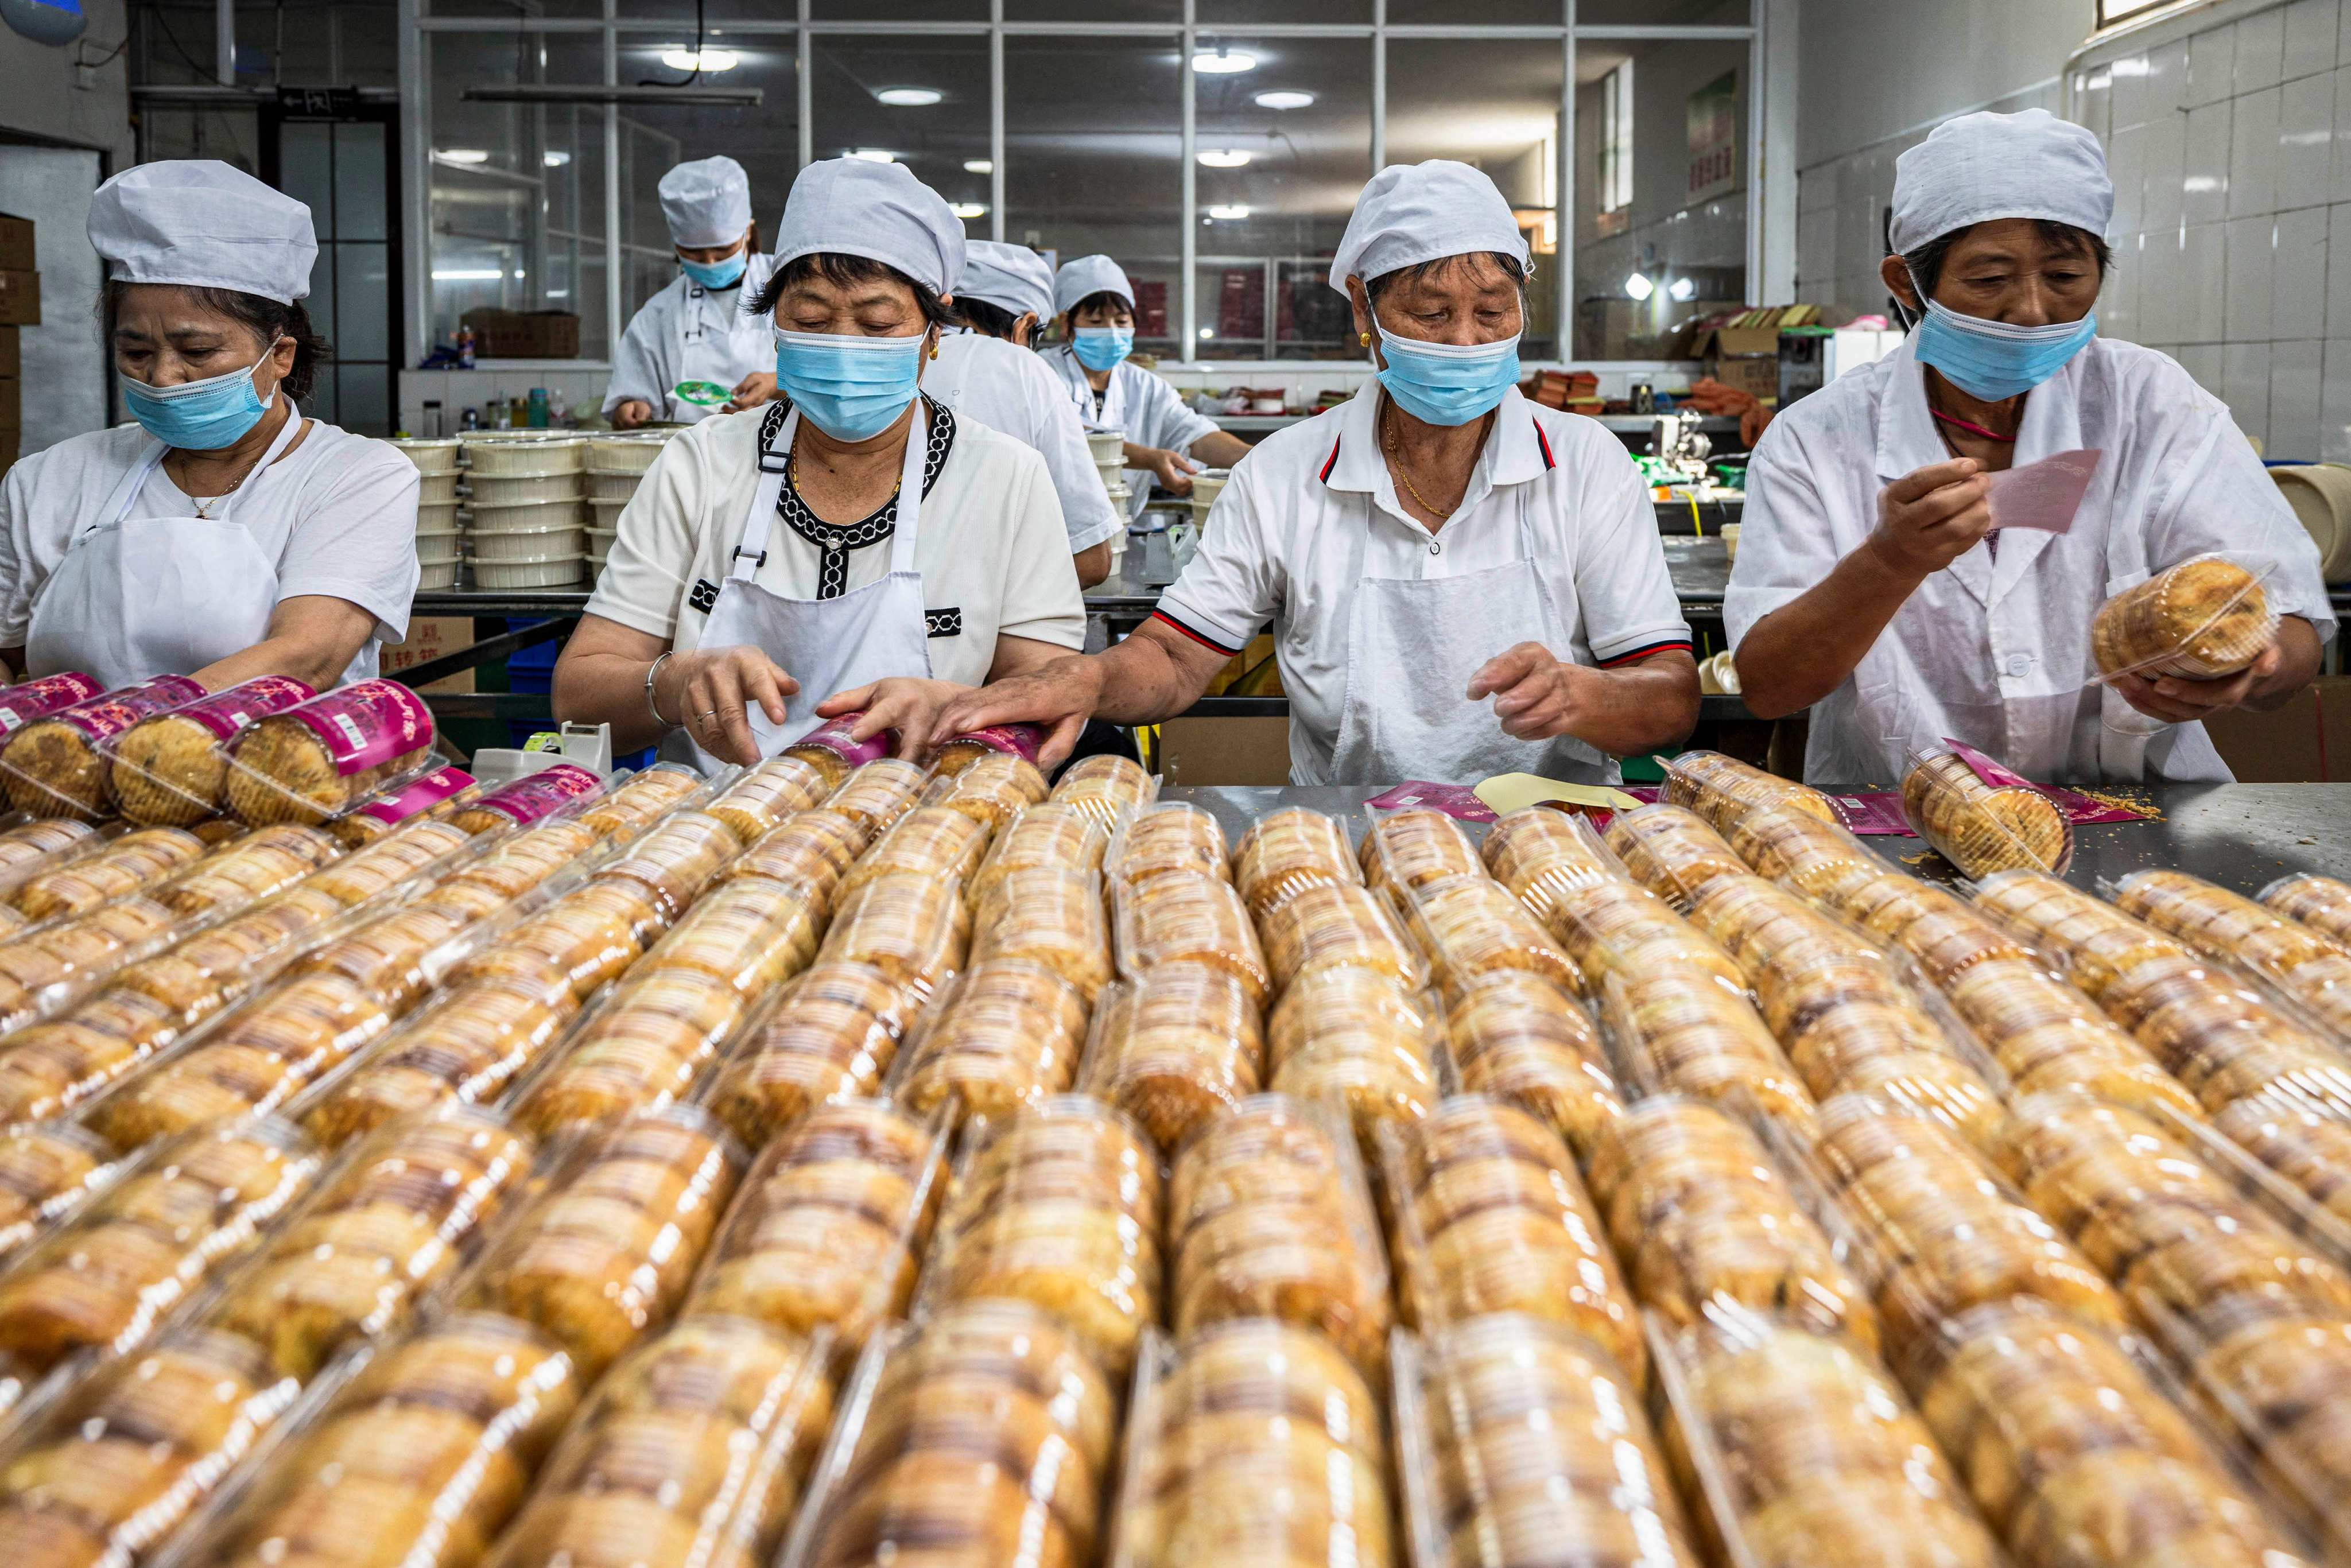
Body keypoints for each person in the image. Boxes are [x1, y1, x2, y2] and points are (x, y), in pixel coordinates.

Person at [932, 160, 1699, 785]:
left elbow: (1669, 697)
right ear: (1363, 310)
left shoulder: (1586, 465)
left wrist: (1587, 696)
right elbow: (1175, 655)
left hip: (1555, 845)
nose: (1466, 341)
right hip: (1347, 846)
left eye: (1492, 312)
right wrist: (1091, 682)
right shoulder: (1286, 477)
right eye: (1433, 315)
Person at [1728, 109, 2334, 785]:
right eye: (1989, 281)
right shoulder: (1815, 439)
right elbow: (1771, 687)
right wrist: (1888, 560)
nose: (2032, 310)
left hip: (2140, 814)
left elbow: (2294, 631)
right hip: (1895, 826)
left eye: (2065, 277)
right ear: (1907, 283)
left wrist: (2254, 667)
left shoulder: (2153, 404)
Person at [552, 157, 1085, 770]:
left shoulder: (1005, 480)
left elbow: (1048, 708)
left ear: (933, 332)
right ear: (775, 329)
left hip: (928, 833)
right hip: (715, 833)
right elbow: (577, 697)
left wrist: (957, 707)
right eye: (810, 320)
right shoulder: (699, 464)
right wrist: (675, 681)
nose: (842, 343)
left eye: (878, 322)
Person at [0, 161, 418, 692]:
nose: (163, 377)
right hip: (66, 772)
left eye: (197, 350)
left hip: (272, 768)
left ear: (281, 354)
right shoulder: (51, 479)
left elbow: (304, 656)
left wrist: (127, 732)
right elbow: (9, 654)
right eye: (136, 351)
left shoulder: (356, 477)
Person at [922, 240, 1124, 588]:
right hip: (983, 629)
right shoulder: (1024, 367)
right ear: (1024, 326)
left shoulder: (905, 358)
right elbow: (1091, 558)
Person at [1040, 254, 1251, 518]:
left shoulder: (1146, 386)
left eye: (1121, 321)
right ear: (1066, 324)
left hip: (1121, 524)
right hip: (1054, 525)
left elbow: (1197, 436)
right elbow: (1065, 439)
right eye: (1095, 322)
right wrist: (1150, 458)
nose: (1111, 331)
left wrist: (1257, 458)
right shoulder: (1041, 373)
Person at [603, 156, 779, 428]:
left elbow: (830, 374)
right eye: (693, 253)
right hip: (691, 457)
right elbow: (631, 396)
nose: (709, 262)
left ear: (748, 231)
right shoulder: (661, 312)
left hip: (778, 453)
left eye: (722, 251)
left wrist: (776, 383)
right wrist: (630, 409)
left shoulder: (789, 284)